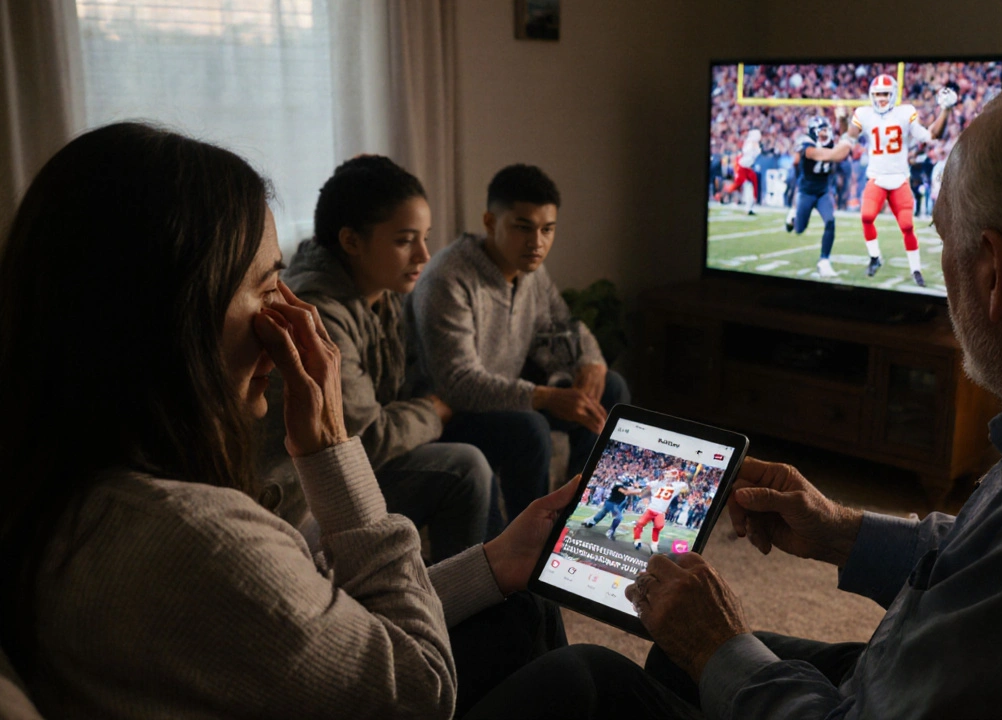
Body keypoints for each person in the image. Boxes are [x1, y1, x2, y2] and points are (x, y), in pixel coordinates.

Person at [463, 67, 1002, 720]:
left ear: (995, 272)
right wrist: (844, 531)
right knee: (675, 660)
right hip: (969, 671)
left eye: (946, 244)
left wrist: (722, 647)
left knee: (583, 680)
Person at [0, 123, 575, 718]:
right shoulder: (201, 540)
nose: (287, 312)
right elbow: (421, 689)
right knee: (586, 675)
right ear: (168, 317)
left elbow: (323, 616)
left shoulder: (61, 477)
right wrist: (333, 452)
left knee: (520, 602)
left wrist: (494, 562)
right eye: (267, 284)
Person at [258, 155, 493, 560]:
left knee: (500, 425)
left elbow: (403, 388)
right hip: (306, 492)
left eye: (425, 236)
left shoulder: (379, 292)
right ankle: (463, 611)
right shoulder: (319, 311)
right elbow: (370, 436)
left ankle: (503, 582)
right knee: (464, 466)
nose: (424, 254)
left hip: (357, 459)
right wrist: (433, 412)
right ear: (351, 241)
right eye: (405, 241)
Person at [408, 163, 631, 521]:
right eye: (523, 227)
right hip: (450, 413)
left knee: (611, 389)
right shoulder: (448, 279)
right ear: (490, 222)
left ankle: (580, 514)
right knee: (529, 428)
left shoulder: (530, 270)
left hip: (506, 396)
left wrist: (591, 361)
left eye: (547, 229)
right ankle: (527, 545)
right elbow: (458, 384)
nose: (537, 243)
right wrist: (543, 397)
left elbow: (558, 325)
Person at [843, 74, 955, 286]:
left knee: (907, 226)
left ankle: (916, 269)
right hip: (876, 178)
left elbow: (931, 136)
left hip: (899, 179)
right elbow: (849, 137)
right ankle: (875, 257)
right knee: (866, 216)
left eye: (885, 94)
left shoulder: (905, 113)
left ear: (893, 93)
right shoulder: (864, 114)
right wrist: (841, 119)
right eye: (877, 94)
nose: (881, 99)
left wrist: (946, 110)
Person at [784, 113, 857, 279]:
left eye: (827, 129)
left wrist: (843, 120)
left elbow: (843, 135)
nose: (825, 133)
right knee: (799, 229)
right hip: (806, 191)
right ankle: (793, 217)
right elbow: (826, 155)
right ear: (813, 131)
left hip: (823, 191)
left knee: (830, 221)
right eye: (822, 130)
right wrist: (841, 150)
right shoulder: (806, 144)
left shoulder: (829, 142)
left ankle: (824, 261)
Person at [631, 466, 691, 554]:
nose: (667, 477)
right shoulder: (657, 483)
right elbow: (646, 485)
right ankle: (637, 541)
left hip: (660, 512)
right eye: (667, 475)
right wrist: (639, 485)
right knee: (639, 524)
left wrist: (685, 477)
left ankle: (654, 545)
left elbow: (686, 488)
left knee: (658, 526)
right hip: (651, 509)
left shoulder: (677, 485)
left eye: (670, 475)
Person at [715, 129, 762, 215]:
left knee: (750, 187)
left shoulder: (753, 144)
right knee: (738, 186)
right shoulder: (750, 143)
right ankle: (721, 196)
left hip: (747, 168)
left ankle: (749, 207)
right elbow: (747, 153)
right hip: (743, 168)